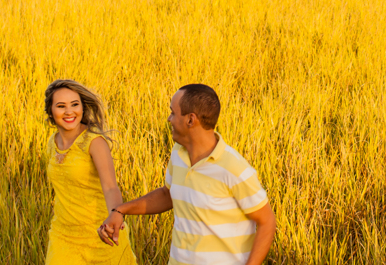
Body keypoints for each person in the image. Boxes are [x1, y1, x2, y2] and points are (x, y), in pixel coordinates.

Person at [98, 84, 276, 265]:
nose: (169, 119)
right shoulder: (178, 153)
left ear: (191, 119)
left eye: (173, 113)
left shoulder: (233, 168)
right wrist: (121, 210)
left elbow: (267, 222)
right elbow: (167, 194)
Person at [44, 79, 136, 265]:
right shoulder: (52, 143)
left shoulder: (94, 143)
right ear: (51, 111)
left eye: (74, 104)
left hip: (101, 235)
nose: (69, 111)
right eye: (61, 106)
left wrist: (115, 215)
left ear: (82, 108)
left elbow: (110, 187)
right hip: (63, 236)